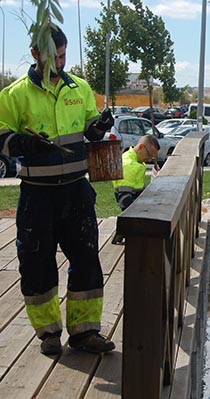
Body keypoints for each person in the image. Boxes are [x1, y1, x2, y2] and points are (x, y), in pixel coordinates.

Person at [0, 27, 115, 355]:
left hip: (76, 193)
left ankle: (85, 332)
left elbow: (90, 132)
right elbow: (0, 139)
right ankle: (48, 333)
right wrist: (22, 143)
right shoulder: (14, 95)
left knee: (87, 260)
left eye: (64, 56)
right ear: (35, 55)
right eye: (53, 58)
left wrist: (99, 126)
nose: (60, 63)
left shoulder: (79, 87)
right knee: (37, 264)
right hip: (37, 195)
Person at [112, 134, 160, 212]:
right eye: (149, 155)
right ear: (141, 147)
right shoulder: (129, 165)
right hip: (132, 213)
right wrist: (141, 212)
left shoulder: (136, 161)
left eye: (152, 157)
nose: (149, 159)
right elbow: (123, 199)